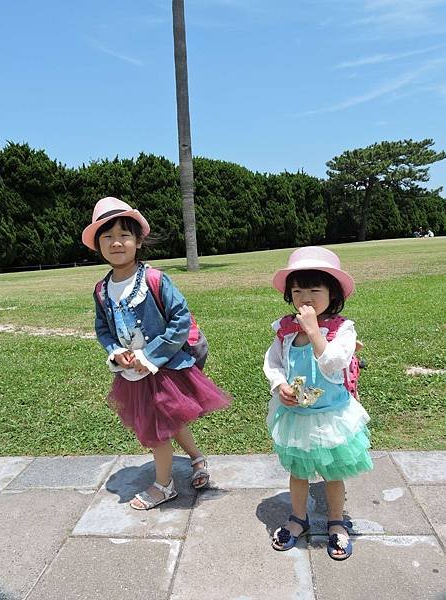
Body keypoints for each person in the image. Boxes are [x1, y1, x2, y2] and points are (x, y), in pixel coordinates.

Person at [82, 197, 231, 510]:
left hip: (164, 370)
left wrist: (150, 355)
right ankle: (197, 459)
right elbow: (103, 329)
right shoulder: (101, 289)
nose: (116, 242)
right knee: (169, 422)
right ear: (98, 245)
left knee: (156, 429)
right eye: (106, 237)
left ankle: (164, 486)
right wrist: (116, 351)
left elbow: (181, 319)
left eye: (124, 234)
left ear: (138, 241)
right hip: (132, 375)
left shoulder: (154, 279)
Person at [263, 246, 373, 560]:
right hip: (296, 415)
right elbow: (272, 362)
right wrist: (279, 384)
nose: (305, 297)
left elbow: (333, 363)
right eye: (297, 290)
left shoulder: (343, 330)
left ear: (333, 293)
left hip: (330, 416)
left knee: (332, 472)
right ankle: (299, 517)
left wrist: (313, 331)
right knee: (298, 472)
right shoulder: (285, 330)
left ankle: (337, 521)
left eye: (315, 290)